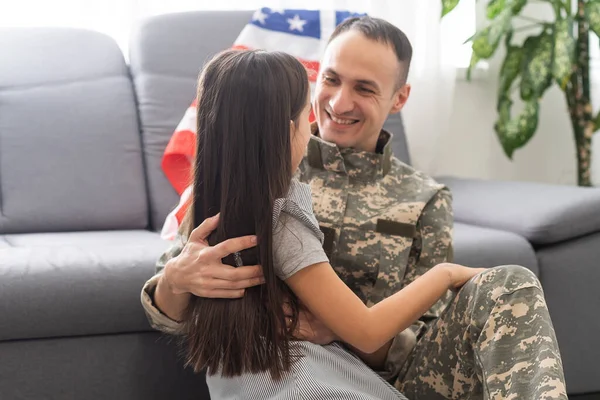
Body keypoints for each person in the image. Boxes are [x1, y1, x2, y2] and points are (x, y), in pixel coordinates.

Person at [142, 16, 568, 400]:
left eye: (364, 88)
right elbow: (182, 308)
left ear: (399, 98)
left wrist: (336, 330)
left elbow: (430, 328)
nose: (340, 103)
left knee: (510, 285)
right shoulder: (256, 167)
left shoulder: (425, 195)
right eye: (331, 79)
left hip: (395, 380)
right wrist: (174, 280)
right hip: (290, 378)